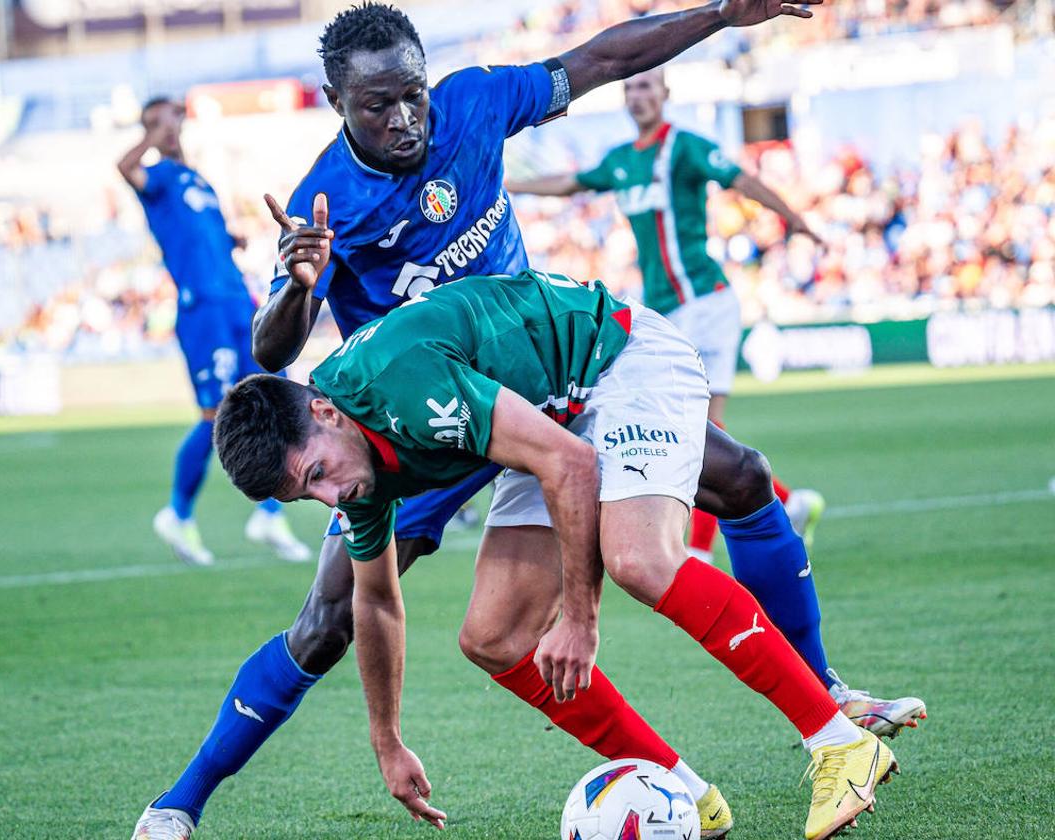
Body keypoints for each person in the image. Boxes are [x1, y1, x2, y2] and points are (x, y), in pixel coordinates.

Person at [131, 3, 923, 837]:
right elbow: (272, 351)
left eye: (413, 95)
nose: (403, 118)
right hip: (413, 422)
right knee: (344, 617)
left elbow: (607, 56)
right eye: (377, 106)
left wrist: (725, 14)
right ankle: (180, 802)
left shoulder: (473, 105)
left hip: (542, 373)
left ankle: (825, 702)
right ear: (337, 103)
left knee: (739, 481)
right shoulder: (325, 203)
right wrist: (299, 285)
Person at [213, 269, 902, 840]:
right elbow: (375, 598)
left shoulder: (400, 382)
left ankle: (838, 739)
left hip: (619, 359)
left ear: (327, 413)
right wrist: (387, 741)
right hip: (556, 418)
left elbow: (570, 467)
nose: (331, 498)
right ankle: (685, 796)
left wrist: (579, 617)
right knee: (495, 636)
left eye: (317, 476)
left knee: (640, 560)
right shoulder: (349, 466)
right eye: (309, 497)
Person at [507, 66, 827, 564]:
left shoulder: (685, 147)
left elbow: (742, 180)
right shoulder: (620, 162)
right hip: (665, 313)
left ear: (665, 94)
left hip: (707, 301)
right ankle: (788, 503)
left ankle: (696, 552)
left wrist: (798, 222)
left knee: (697, 427)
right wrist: (506, 185)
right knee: (697, 430)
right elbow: (569, 182)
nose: (638, 96)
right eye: (631, 88)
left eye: (646, 87)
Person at [117, 97, 310, 566]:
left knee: (272, 394)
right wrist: (150, 137)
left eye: (172, 118)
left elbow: (209, 238)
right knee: (217, 412)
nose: (168, 127)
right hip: (201, 306)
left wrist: (234, 239)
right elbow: (125, 167)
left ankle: (268, 514)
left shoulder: (199, 181)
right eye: (156, 122)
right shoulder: (157, 179)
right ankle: (178, 514)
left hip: (235, 301)